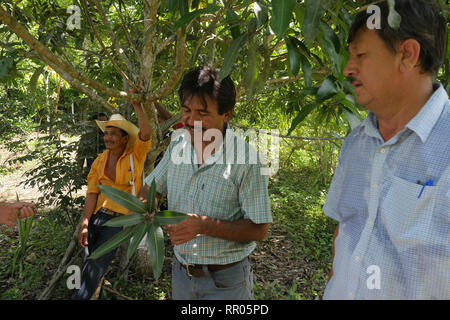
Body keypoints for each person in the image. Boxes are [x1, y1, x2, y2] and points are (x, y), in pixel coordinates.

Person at [323, 0, 449, 299]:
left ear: (407, 54)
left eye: (361, 55)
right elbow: (345, 232)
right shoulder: (356, 143)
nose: (347, 69)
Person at [138, 66, 272, 300]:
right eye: (186, 110)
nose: (192, 121)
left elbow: (259, 229)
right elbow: (150, 190)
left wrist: (201, 225)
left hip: (226, 284)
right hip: (182, 275)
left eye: (203, 113)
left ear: (227, 114)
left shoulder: (247, 161)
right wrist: (147, 212)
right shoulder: (178, 147)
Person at [74, 101, 151, 300]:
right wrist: (84, 223)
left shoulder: (135, 157)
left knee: (95, 266)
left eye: (113, 134)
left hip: (118, 223)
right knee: (90, 269)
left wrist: (138, 106)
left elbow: (146, 135)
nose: (108, 137)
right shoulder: (99, 160)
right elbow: (92, 194)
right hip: (97, 218)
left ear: (125, 138)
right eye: (106, 133)